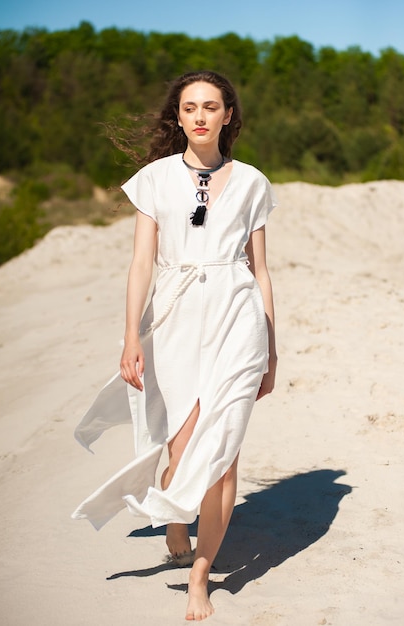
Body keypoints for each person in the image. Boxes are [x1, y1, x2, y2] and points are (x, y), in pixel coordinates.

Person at [72, 70, 277, 621]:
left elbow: (260, 271)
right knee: (182, 451)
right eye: (191, 108)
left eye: (212, 106)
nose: (202, 116)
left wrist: (272, 349)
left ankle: (199, 577)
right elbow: (141, 263)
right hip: (176, 318)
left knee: (224, 456)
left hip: (237, 317)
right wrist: (130, 335)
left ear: (228, 115)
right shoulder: (155, 180)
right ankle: (176, 523)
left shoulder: (254, 182)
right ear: (179, 117)